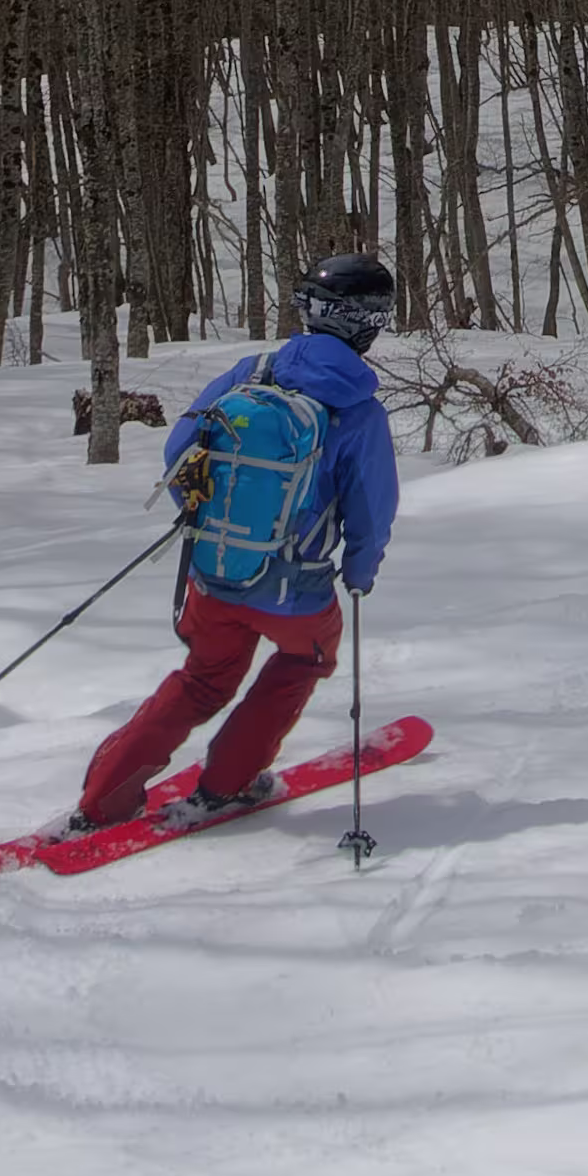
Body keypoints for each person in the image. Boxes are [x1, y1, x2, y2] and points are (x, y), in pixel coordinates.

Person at [68, 251, 405, 833]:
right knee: (305, 658)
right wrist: (359, 571)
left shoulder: (252, 372)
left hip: (216, 573)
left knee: (202, 679)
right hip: (295, 592)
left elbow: (178, 456)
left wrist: (208, 523)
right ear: (369, 324)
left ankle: (103, 799)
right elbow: (373, 510)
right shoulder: (358, 412)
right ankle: (230, 782)